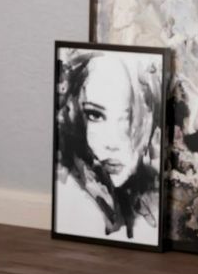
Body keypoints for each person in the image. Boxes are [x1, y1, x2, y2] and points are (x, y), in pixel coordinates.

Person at [54, 48, 162, 244]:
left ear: (150, 123)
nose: (111, 143)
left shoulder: (154, 194)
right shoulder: (72, 193)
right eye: (95, 115)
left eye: (128, 119)